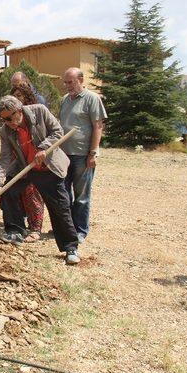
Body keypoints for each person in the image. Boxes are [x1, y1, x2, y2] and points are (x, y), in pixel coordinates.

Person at [0, 95, 81, 265]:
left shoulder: (39, 111)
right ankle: (15, 231)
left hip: (48, 168)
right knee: (8, 192)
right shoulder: (6, 130)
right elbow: (4, 157)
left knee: (60, 207)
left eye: (10, 118)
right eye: (4, 119)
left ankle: (70, 247)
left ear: (19, 110)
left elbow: (57, 131)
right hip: (26, 168)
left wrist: (44, 147)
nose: (8, 122)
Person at [59, 67, 107, 243]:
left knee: (81, 197)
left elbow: (98, 127)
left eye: (70, 82)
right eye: (65, 82)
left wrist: (93, 153)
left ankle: (80, 231)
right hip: (64, 155)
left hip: (82, 155)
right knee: (64, 194)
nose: (67, 86)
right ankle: (67, 228)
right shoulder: (65, 100)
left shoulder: (92, 99)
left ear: (80, 80)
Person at [10, 83, 44, 242]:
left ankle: (36, 229)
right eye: (14, 96)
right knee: (20, 194)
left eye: (19, 96)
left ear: (26, 96)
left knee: (33, 195)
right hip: (20, 162)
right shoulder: (11, 118)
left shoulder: (35, 113)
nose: (16, 99)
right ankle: (21, 226)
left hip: (37, 162)